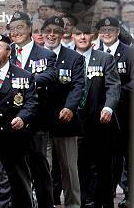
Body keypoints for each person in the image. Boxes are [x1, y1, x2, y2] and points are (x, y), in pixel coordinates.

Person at [8, 11, 57, 208]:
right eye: (12, 29)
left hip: (37, 121)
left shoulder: (46, 55)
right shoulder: (5, 51)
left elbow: (51, 76)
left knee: (40, 169)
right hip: (10, 121)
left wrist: (24, 81)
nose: (16, 32)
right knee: (16, 170)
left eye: (20, 27)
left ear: (29, 29)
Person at [0, 33, 39, 208]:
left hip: (13, 135)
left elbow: (32, 102)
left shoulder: (23, 75)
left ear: (9, 51)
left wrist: (22, 117)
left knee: (19, 182)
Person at [73, 23, 121, 208]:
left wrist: (109, 108)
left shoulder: (105, 58)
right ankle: (85, 201)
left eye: (86, 33)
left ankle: (104, 202)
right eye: (78, 34)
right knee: (79, 166)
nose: (83, 37)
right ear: (73, 36)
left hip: (100, 121)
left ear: (93, 36)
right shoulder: (67, 58)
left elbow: (113, 87)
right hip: (75, 122)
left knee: (102, 167)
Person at [42, 16, 85, 208]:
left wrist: (69, 107)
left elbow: (78, 86)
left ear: (62, 34)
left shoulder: (74, 57)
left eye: (56, 32)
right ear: (43, 34)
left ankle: (73, 205)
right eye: (48, 31)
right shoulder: (36, 55)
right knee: (44, 168)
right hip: (40, 121)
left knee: (69, 168)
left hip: (65, 120)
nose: (52, 35)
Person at [97, 16, 134, 206]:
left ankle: (128, 196)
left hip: (125, 114)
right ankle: (107, 195)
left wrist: (115, 95)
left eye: (110, 31)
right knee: (106, 157)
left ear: (118, 32)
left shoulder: (129, 53)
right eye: (103, 31)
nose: (107, 34)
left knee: (126, 157)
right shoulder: (94, 53)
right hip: (101, 116)